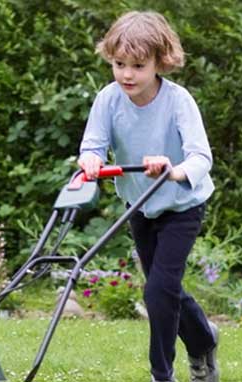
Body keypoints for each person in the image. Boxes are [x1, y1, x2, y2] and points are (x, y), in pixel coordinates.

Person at [77, 11, 219, 382]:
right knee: (165, 290)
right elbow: (92, 145)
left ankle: (162, 374)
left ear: (160, 62)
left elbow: (201, 157)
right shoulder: (108, 99)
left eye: (138, 66)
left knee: (158, 289)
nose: (127, 74)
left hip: (182, 205)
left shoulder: (178, 101)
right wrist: (91, 158)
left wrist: (174, 170)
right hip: (139, 206)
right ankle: (204, 340)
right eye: (119, 64)